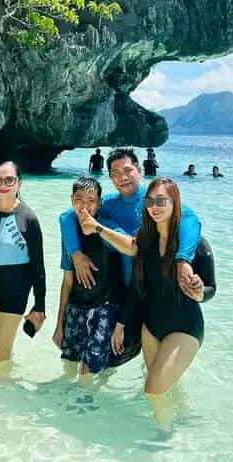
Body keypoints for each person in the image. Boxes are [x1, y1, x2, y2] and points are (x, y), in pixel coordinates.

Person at [92, 178, 216, 427]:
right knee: (163, 384)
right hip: (151, 327)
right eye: (150, 201)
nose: (155, 206)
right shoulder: (145, 241)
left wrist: (200, 292)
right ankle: (181, 417)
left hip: (185, 327)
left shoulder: (195, 246)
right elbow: (138, 289)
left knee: (153, 389)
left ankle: (163, 435)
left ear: (175, 203)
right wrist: (121, 324)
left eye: (162, 200)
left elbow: (211, 288)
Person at [59, 148, 201, 294]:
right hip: (127, 292)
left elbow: (191, 219)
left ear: (139, 170)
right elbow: (67, 216)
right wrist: (75, 253)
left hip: (159, 290)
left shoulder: (152, 200)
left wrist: (183, 259)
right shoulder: (109, 204)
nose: (123, 177)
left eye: (128, 170)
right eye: (116, 173)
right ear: (110, 177)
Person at [53, 176, 126, 382]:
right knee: (68, 366)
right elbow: (67, 280)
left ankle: (88, 409)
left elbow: (132, 247)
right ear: (71, 200)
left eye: (91, 200)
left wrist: (98, 229)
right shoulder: (69, 231)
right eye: (79, 199)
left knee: (88, 373)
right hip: (76, 307)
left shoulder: (106, 227)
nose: (84, 206)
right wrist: (59, 324)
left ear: (100, 203)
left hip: (105, 306)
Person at [0, 160, 46, 376]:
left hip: (15, 289)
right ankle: (6, 376)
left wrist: (40, 307)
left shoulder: (28, 219)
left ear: (19, 184)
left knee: (0, 351)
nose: (3, 184)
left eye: (9, 180)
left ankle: (0, 395)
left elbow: (38, 267)